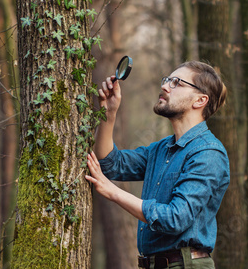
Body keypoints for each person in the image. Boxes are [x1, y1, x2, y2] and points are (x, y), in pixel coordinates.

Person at [85, 60, 230, 269]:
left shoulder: (208, 153)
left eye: (176, 83)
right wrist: (109, 113)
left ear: (200, 100)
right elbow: (110, 164)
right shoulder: (161, 149)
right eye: (167, 80)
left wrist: (113, 193)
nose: (164, 86)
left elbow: (175, 217)